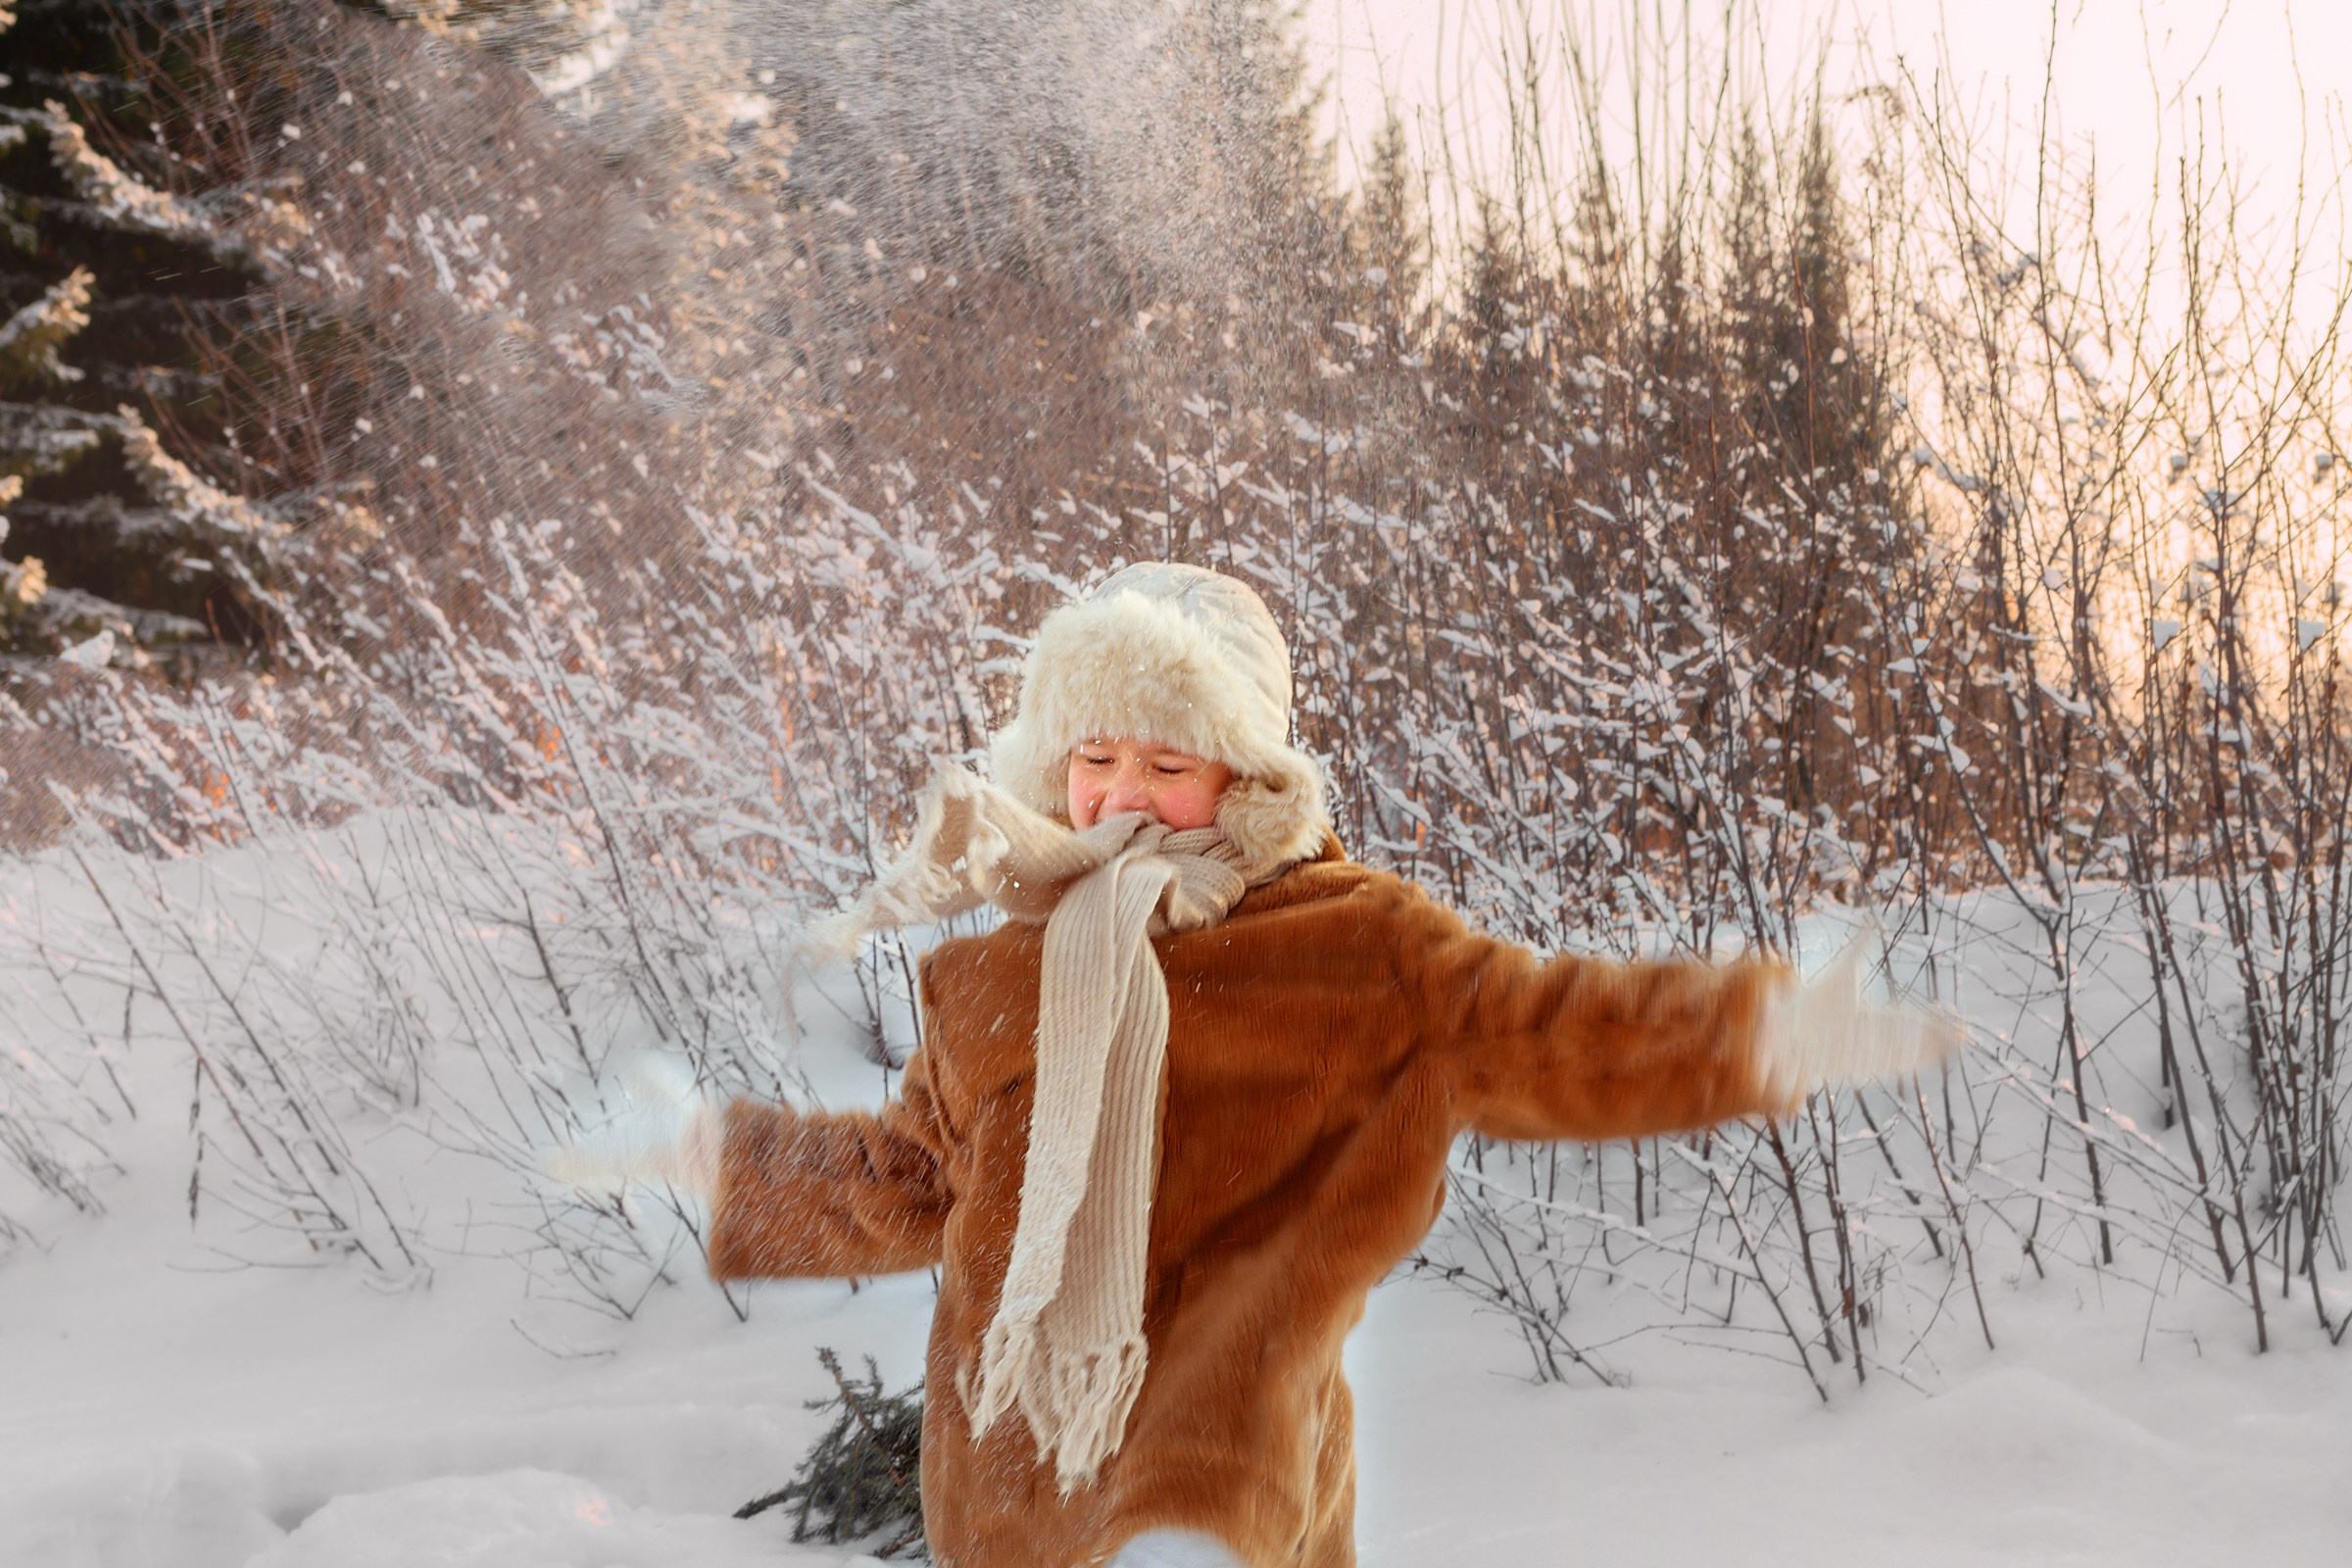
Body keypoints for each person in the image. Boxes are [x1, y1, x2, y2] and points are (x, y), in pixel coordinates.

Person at [555, 563, 1958, 1568]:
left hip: (1223, 1500)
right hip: (1015, 1512)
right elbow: (913, 1179)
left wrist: (1762, 1033)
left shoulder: (1357, 947)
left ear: (1244, 774)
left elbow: (1554, 1029)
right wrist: (712, 1157)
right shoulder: (995, 975)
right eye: (1094, 758)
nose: (1120, 796)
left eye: (1169, 763)